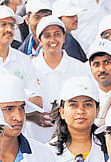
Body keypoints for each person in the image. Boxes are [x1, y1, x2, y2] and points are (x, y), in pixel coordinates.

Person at [25, 16, 90, 144]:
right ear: (39, 40)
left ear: (64, 37)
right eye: (47, 36)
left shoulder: (78, 67)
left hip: (71, 139)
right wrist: (32, 116)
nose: (52, 40)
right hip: (37, 138)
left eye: (57, 34)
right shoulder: (29, 67)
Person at [0, 6, 43, 108]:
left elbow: (36, 99)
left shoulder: (23, 59)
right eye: (3, 24)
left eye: (12, 26)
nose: (9, 29)